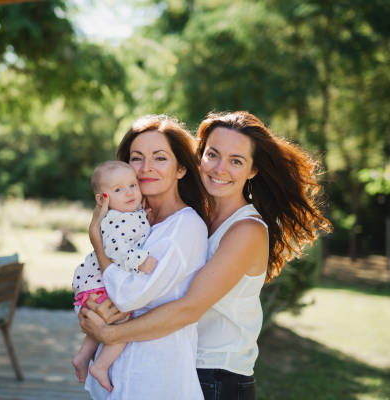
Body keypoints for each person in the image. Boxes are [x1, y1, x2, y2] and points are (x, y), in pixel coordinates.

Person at [79, 111, 332, 400]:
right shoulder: (197, 217)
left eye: (236, 161)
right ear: (200, 157)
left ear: (252, 171)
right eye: (213, 154)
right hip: (181, 366)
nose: (220, 169)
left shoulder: (245, 230)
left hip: (216, 377)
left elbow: (188, 309)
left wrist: (110, 335)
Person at [81, 115, 212, 400]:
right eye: (136, 158)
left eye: (160, 158)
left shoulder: (185, 227)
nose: (145, 168)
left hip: (154, 379)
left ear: (180, 169)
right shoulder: (133, 222)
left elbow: (128, 296)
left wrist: (97, 243)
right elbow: (101, 291)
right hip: (114, 380)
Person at [72, 160, 158, 391]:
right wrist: (139, 261)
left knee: (105, 321)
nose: (129, 192)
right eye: (118, 190)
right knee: (121, 324)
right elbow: (113, 249)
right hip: (98, 283)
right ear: (102, 199)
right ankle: (100, 365)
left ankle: (82, 356)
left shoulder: (128, 213)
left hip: (93, 282)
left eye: (132, 185)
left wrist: (144, 215)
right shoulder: (116, 219)